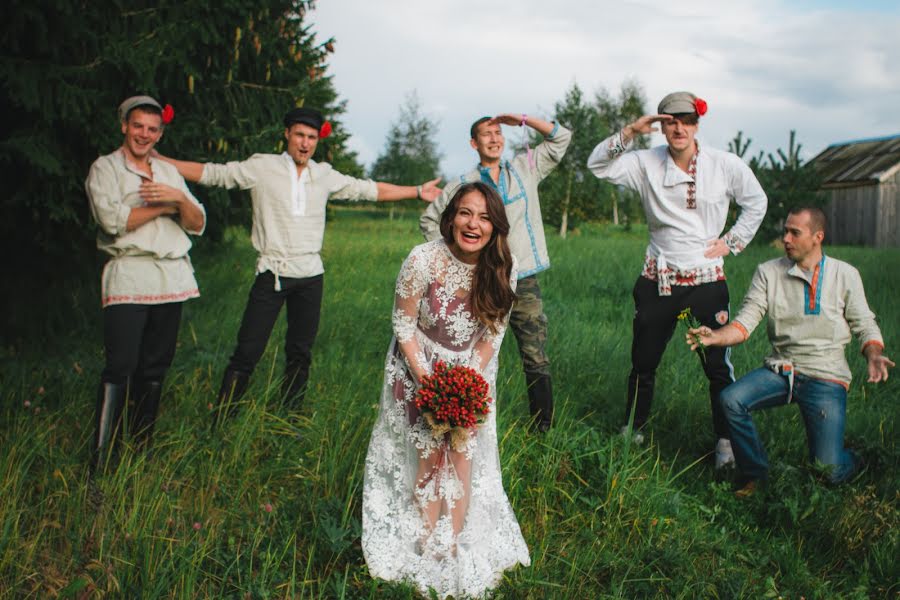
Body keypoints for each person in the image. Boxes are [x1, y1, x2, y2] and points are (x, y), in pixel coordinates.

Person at [158, 107, 441, 424]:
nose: (305, 144)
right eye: (299, 136)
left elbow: (370, 189)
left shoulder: (323, 174)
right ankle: (222, 420)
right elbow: (214, 173)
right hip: (272, 274)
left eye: (311, 138)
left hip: (310, 277)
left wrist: (417, 191)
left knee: (300, 353)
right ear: (287, 135)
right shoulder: (263, 167)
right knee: (247, 352)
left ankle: (289, 418)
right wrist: (162, 162)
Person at [363, 182, 530, 597]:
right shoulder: (422, 260)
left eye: (485, 217)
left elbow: (495, 332)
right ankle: (423, 540)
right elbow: (403, 325)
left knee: (460, 454)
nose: (473, 224)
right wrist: (431, 383)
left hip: (471, 371)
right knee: (427, 453)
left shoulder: (504, 267)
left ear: (495, 226)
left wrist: (467, 381)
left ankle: (450, 543)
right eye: (465, 213)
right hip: (417, 366)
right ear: (451, 216)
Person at [587, 91, 767, 466]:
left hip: (706, 281)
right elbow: (597, 165)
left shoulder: (724, 164)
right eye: (670, 121)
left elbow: (756, 201)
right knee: (644, 361)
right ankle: (632, 432)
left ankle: (725, 444)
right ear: (661, 125)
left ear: (697, 124)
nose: (678, 127)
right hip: (659, 279)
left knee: (717, 366)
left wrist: (732, 242)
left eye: (686, 120)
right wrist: (631, 131)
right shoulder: (645, 162)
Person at [687, 207, 893, 495]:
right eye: (785, 231)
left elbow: (864, 322)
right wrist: (714, 337)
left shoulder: (845, 275)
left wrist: (872, 353)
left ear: (817, 237)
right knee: (731, 399)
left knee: (828, 473)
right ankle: (755, 474)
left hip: (826, 376)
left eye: (795, 232)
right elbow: (745, 323)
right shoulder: (768, 272)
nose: (786, 238)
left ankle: (856, 459)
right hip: (781, 370)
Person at [420, 114, 571, 432]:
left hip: (524, 277)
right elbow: (430, 221)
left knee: (534, 350)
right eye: (486, 134)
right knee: (472, 349)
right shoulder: (463, 184)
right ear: (474, 144)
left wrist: (523, 120)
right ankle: (462, 420)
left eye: (498, 133)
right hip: (481, 279)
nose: (494, 138)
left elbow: (561, 138)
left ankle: (541, 428)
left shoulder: (525, 168)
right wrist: (456, 260)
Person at [85, 95, 206, 466]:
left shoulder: (168, 172)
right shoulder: (105, 168)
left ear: (160, 133)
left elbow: (197, 221)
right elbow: (112, 220)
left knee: (155, 366)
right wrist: (167, 206)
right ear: (124, 125)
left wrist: (176, 200)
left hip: (171, 276)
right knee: (120, 364)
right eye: (138, 126)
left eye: (152, 129)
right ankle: (102, 461)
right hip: (130, 274)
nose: (144, 134)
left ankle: (139, 451)